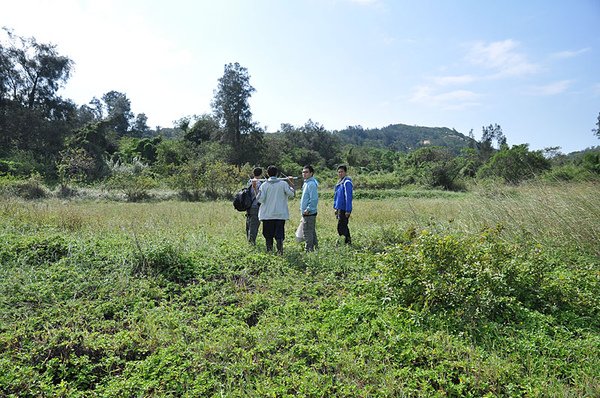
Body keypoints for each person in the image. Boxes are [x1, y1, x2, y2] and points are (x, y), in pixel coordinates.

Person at [255, 165, 295, 254]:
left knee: (268, 235)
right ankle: (280, 251)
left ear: (267, 174)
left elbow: (260, 199)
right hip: (280, 215)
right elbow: (292, 194)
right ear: (277, 173)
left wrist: (255, 188)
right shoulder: (283, 184)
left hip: (267, 215)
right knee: (279, 235)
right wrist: (291, 182)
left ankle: (269, 252)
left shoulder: (264, 185)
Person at [300, 164, 319, 252]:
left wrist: (308, 209)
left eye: (306, 172)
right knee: (311, 231)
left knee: (307, 232)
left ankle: (309, 250)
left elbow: (314, 199)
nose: (304, 174)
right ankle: (315, 248)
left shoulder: (311, 184)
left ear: (311, 173)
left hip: (309, 213)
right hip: (307, 212)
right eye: (303, 172)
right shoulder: (307, 183)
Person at [333, 164, 353, 245]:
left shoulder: (347, 182)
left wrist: (348, 210)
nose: (340, 173)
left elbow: (349, 197)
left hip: (344, 208)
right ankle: (347, 242)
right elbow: (336, 196)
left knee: (341, 227)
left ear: (345, 172)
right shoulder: (340, 182)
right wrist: (335, 208)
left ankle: (345, 242)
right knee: (343, 226)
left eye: (342, 172)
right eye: (339, 172)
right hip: (339, 208)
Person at [246, 167, 262, 245]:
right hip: (256, 206)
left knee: (249, 223)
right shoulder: (260, 183)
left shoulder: (249, 181)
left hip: (248, 206)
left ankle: (249, 240)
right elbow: (260, 195)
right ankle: (251, 242)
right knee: (254, 225)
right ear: (261, 174)